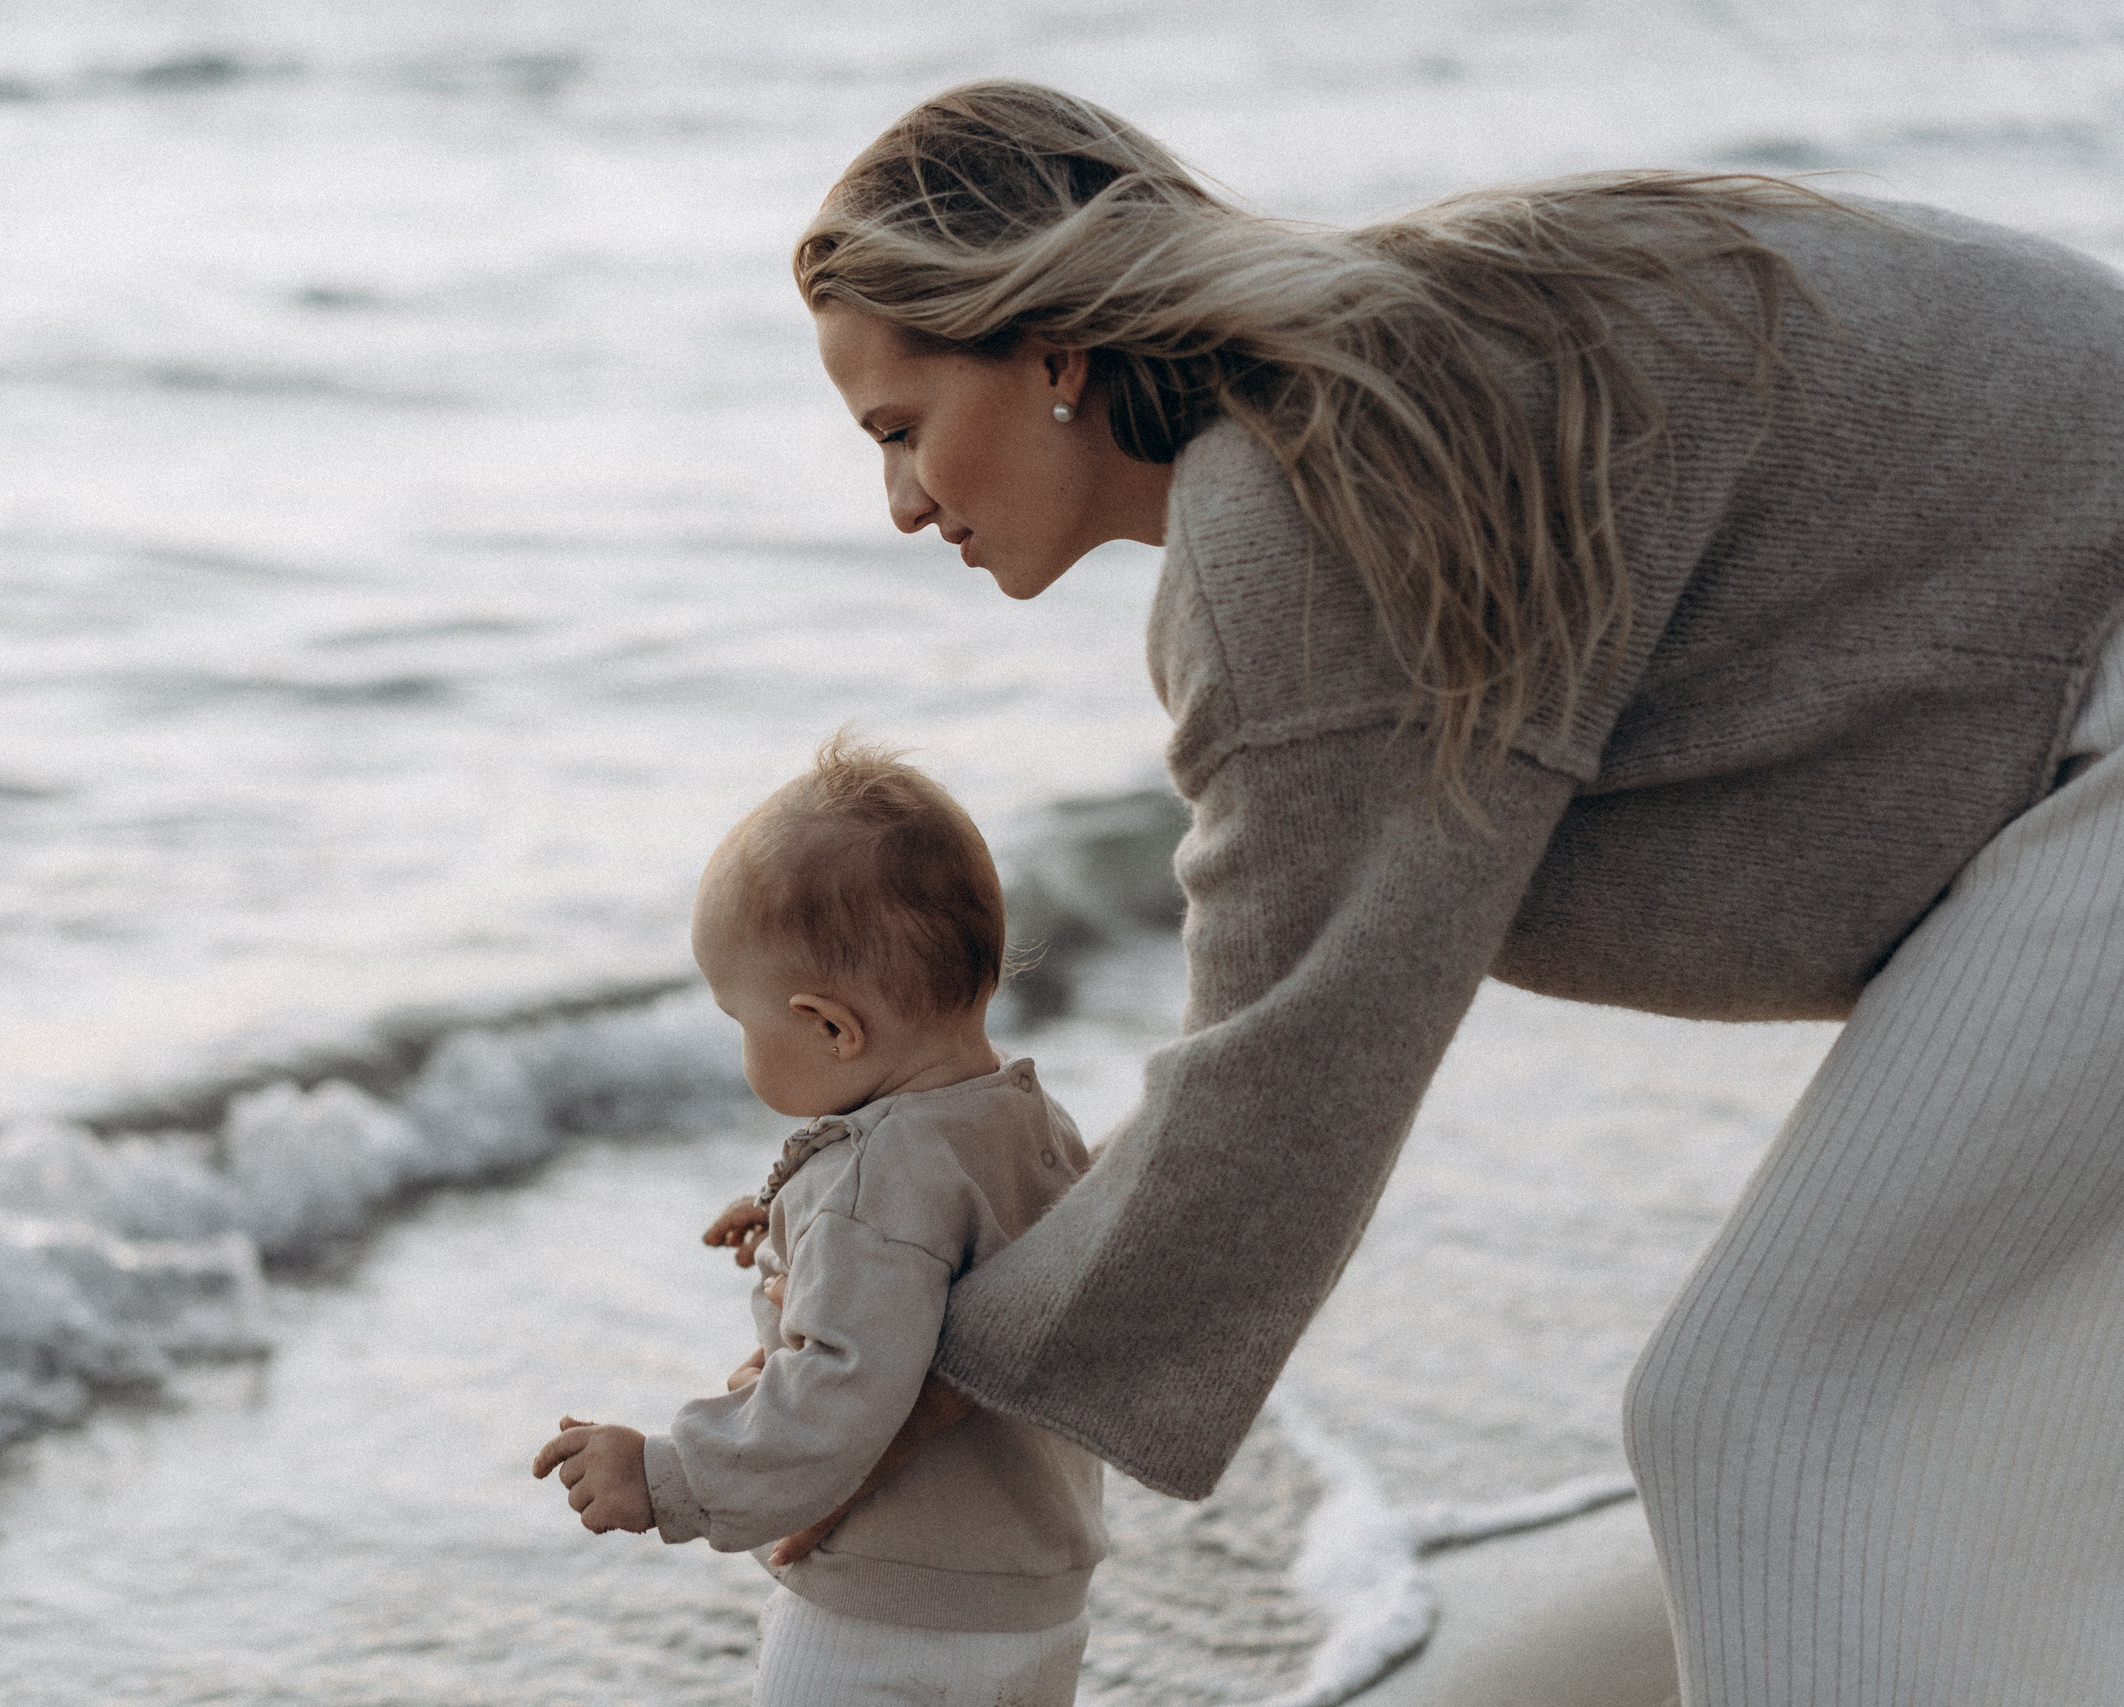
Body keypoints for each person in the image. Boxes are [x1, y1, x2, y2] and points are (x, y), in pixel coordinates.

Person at [782, 79, 2124, 1706]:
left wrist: (947, 1360)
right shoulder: (1380, 384)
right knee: (1984, 1423)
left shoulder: (1299, 508)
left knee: (1755, 1409)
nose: (903, 504)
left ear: (1052, 352)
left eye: (900, 429)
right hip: (2073, 726)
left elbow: (1291, 1072)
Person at [531, 735, 1107, 1707]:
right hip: (1034, 1596)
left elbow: (840, 1392)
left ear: (831, 1027)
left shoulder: (878, 1182)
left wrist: (667, 1476)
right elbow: (946, 1282)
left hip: (893, 1616)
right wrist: (795, 1216)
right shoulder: (1031, 1124)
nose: (741, 1049)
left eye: (741, 1022)